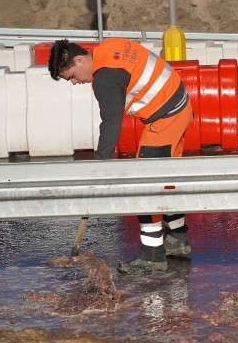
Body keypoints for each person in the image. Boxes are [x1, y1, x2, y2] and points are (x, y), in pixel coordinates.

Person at [48, 38, 194, 273]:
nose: (75, 82)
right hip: (180, 105)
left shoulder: (105, 77)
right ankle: (177, 239)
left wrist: (99, 165)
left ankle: (153, 256)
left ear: (80, 59)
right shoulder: (107, 48)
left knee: (145, 186)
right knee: (166, 182)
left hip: (165, 118)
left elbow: (111, 123)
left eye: (72, 76)